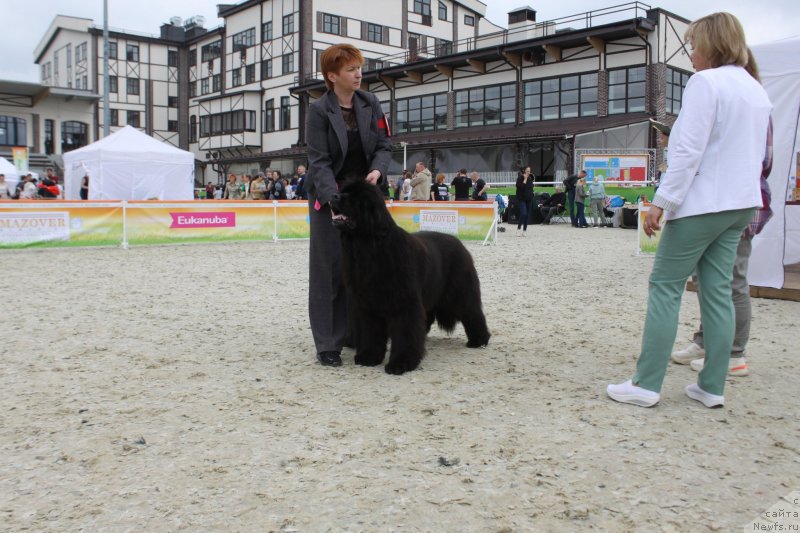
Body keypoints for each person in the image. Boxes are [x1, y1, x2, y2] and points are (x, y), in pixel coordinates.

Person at [607, 12, 771, 408]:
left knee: (665, 287)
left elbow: (686, 152)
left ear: (712, 44)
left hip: (703, 203)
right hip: (740, 204)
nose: (691, 53)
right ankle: (712, 386)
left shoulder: (705, 83)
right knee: (718, 293)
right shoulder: (755, 89)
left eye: (694, 44)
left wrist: (661, 203)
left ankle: (646, 384)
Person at [670, 47, 774, 378]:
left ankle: (732, 353)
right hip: (726, 199)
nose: (691, 56)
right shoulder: (747, 98)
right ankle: (708, 343)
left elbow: (762, 161)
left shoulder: (744, 101)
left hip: (731, 200)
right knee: (712, 280)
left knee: (732, 280)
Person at [305, 43, 392, 367]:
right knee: (329, 270)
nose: (359, 74)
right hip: (332, 195)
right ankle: (329, 343)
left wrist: (377, 170)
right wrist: (334, 200)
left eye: (359, 67)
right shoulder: (318, 111)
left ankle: (361, 333)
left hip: (367, 195)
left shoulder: (371, 102)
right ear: (332, 76)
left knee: (371, 267)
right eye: (351, 69)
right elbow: (319, 161)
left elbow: (385, 145)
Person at [514, 166, 534, 236]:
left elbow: (531, 188)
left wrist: (532, 195)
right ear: (524, 171)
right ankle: (518, 228)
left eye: (529, 171)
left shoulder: (530, 179)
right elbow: (521, 188)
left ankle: (524, 230)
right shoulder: (519, 178)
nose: (529, 172)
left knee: (527, 215)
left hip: (529, 199)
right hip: (521, 199)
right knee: (523, 213)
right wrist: (525, 179)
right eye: (527, 171)